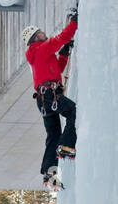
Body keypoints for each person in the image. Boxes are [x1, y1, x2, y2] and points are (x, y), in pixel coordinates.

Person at [23, 13, 78, 186]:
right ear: (35, 37)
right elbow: (61, 38)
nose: (43, 33)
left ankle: (50, 172)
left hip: (44, 98)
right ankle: (67, 145)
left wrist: (63, 54)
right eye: (40, 32)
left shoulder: (39, 54)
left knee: (53, 134)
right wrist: (74, 23)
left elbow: (57, 70)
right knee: (73, 111)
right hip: (50, 94)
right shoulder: (40, 48)